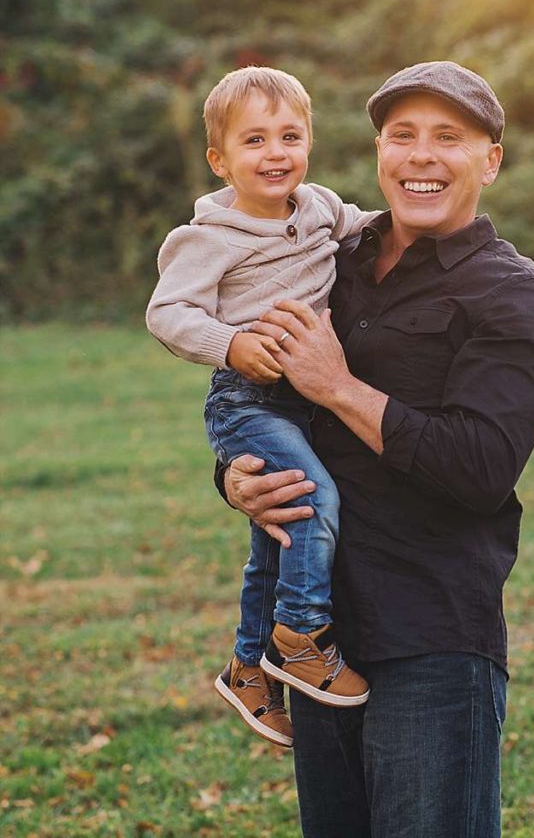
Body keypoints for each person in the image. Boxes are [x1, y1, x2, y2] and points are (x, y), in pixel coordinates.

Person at [216, 61, 534, 837]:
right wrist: (235, 479)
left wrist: (339, 386)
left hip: (430, 638)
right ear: (378, 151)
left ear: (491, 159)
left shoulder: (514, 296)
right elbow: (253, 392)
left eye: (450, 137)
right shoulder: (325, 260)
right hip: (316, 641)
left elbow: (479, 469)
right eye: (402, 135)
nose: (421, 157)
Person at [146, 67, 378, 751]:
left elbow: (372, 230)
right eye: (254, 140)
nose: (275, 152)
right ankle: (300, 636)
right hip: (248, 401)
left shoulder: (321, 208)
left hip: (306, 398)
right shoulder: (209, 237)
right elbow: (168, 313)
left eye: (290, 136)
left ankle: (248, 667)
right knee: (310, 501)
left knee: (276, 535)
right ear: (221, 161)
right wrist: (232, 342)